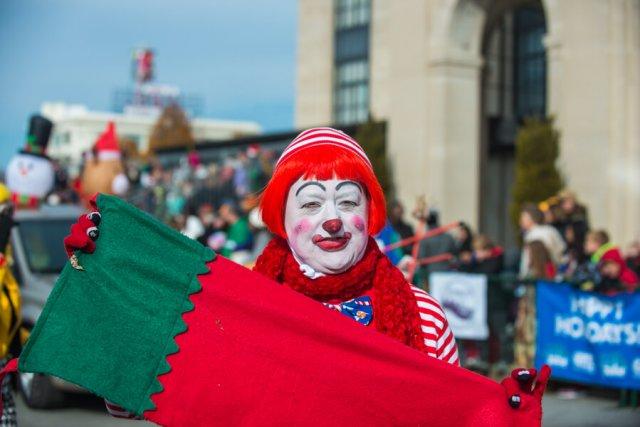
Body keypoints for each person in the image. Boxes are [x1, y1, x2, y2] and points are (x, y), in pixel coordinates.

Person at [519, 203, 566, 277]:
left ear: (531, 218)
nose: (521, 221)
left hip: (538, 277)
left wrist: (523, 277)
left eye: (523, 217)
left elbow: (526, 263)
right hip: (555, 274)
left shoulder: (531, 236)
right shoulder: (551, 230)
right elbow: (562, 250)